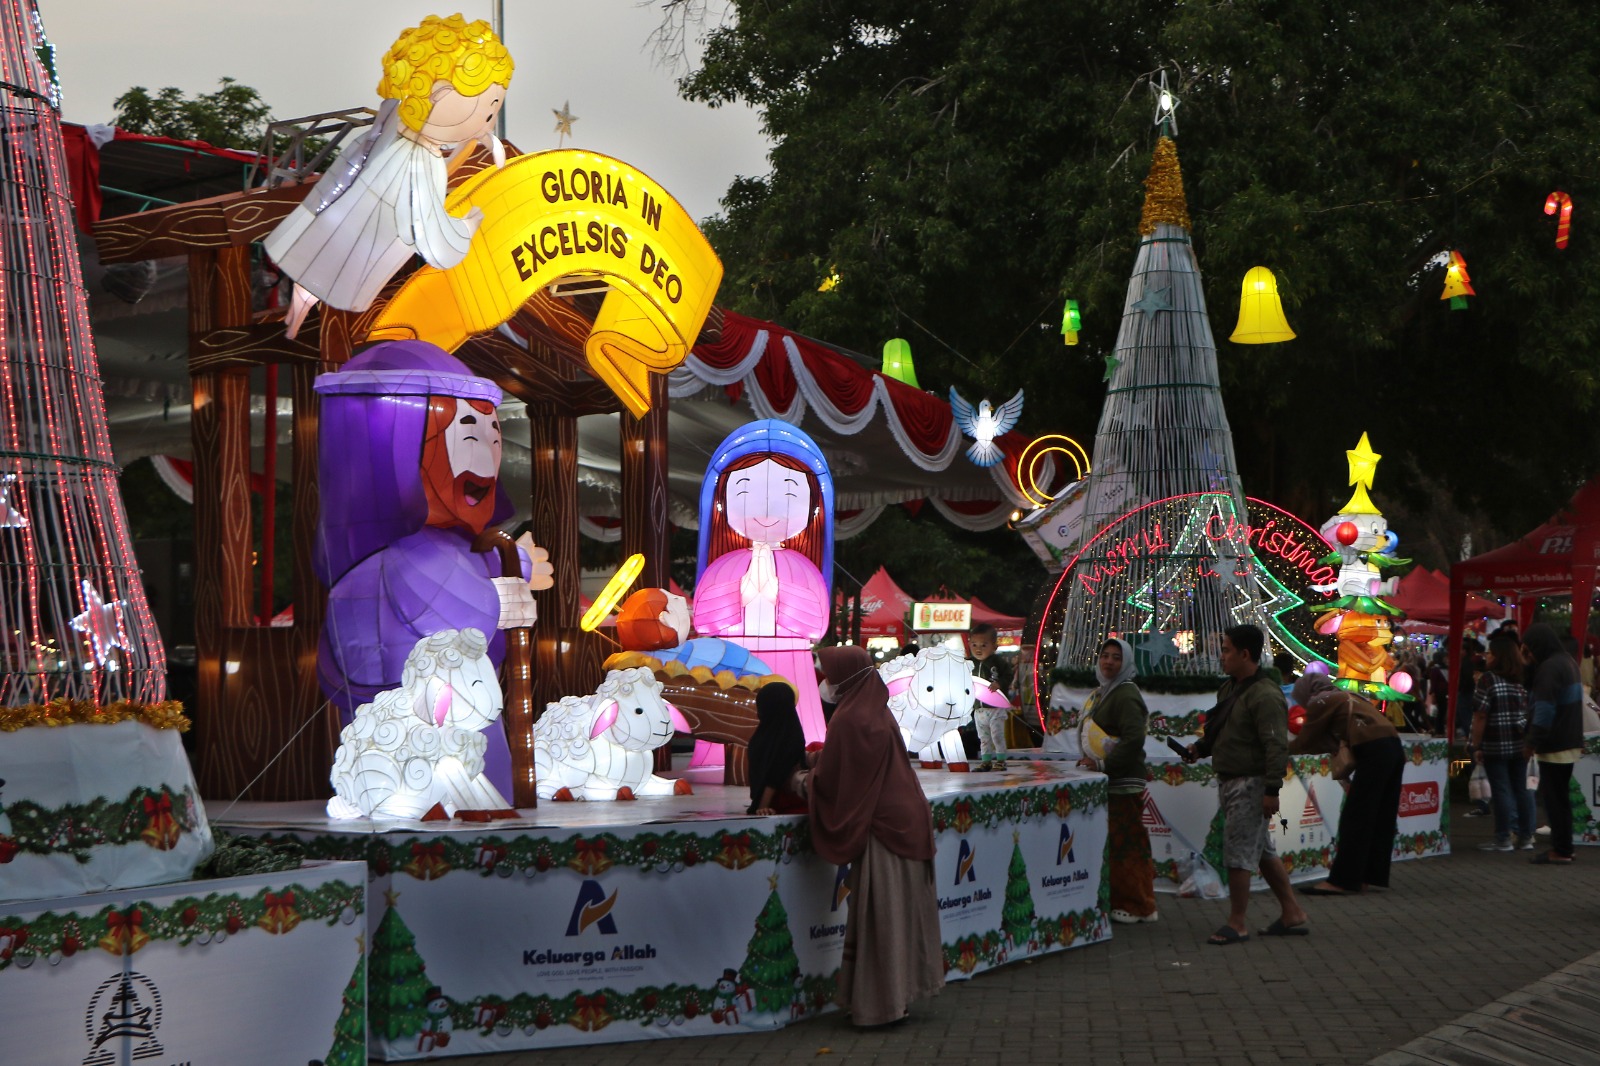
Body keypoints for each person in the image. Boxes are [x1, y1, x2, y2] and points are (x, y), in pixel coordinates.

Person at [265, 14, 512, 337]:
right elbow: (427, 228)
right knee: (334, 278)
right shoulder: (420, 161)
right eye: (488, 108)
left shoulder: (393, 135)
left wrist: (473, 137)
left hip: (340, 233)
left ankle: (302, 304)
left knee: (322, 271)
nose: (489, 120)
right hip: (361, 250)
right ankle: (305, 310)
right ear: (438, 93)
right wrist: (465, 227)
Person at [808, 645, 942, 1026]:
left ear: (846, 677)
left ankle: (880, 1005)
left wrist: (804, 779)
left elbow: (838, 782)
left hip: (883, 828)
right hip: (905, 820)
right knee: (899, 913)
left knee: (881, 915)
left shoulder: (852, 719)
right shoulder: (874, 710)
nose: (826, 682)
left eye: (830, 674)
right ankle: (896, 997)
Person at [1184, 625, 1308, 943]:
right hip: (1231, 780)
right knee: (1262, 851)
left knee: (1239, 853)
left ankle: (1237, 922)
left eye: (1226, 650)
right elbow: (1224, 732)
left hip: (1249, 783)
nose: (1221, 655)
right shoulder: (1230, 690)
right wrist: (1201, 749)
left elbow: (1275, 746)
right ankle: (1292, 912)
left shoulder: (1265, 695)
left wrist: (1271, 790)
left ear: (1244, 654)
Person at [1289, 674, 1405, 893]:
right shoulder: (1345, 696)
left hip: (1373, 750)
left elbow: (1306, 740)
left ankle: (1342, 881)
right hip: (1393, 748)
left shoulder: (1320, 702)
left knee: (1357, 816)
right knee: (1380, 816)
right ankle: (1368, 875)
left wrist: (1279, 748)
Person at [1076, 638, 1157, 923]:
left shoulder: (1125, 694)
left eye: (1116, 658)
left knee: (1127, 844)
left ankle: (1139, 906)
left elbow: (1134, 738)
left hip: (1123, 780)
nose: (1109, 662)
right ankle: (1132, 901)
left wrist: (1103, 762)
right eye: (1105, 656)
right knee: (1121, 843)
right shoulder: (1105, 692)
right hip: (1112, 779)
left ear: (1126, 663)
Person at [1522, 623, 1584, 865]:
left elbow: (1544, 711)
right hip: (1568, 740)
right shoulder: (1567, 661)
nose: (1525, 653)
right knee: (1561, 799)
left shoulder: (1549, 668)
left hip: (1555, 743)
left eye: (1526, 648)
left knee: (1554, 801)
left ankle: (1561, 850)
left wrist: (1531, 743)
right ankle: (1565, 847)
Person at [1467, 633, 1535, 851]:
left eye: (1489, 653)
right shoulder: (1521, 680)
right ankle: (1525, 837)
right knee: (1522, 790)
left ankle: (1503, 838)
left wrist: (1475, 745)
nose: (1486, 656)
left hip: (1495, 743)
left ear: (1497, 656)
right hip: (1520, 743)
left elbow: (1480, 715)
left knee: (1502, 790)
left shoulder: (1488, 679)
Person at [746, 682, 812, 816]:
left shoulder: (764, 737)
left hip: (782, 804)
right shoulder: (791, 732)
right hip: (779, 803)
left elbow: (775, 776)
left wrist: (762, 806)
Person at [968, 623, 1013, 770]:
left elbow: (1009, 675)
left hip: (996, 708)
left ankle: (1000, 760)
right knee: (983, 737)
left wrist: (1000, 683)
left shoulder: (997, 662)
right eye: (974, 645)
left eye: (983, 645)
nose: (978, 649)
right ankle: (986, 761)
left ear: (994, 646)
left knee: (997, 734)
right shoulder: (969, 663)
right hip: (979, 709)